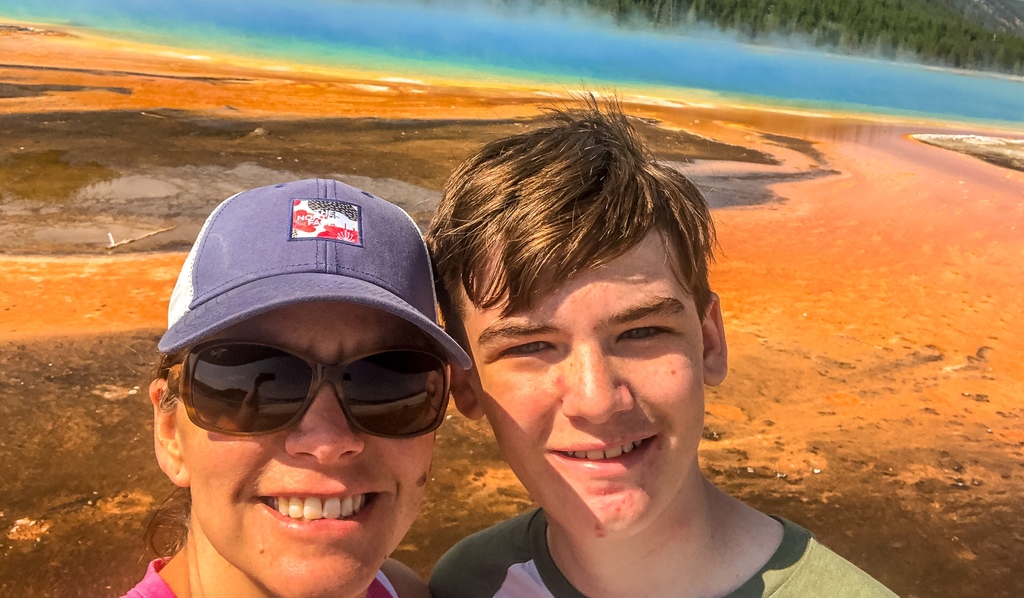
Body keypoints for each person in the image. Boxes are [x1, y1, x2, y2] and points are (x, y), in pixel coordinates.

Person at [426, 102, 898, 598]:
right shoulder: (467, 582)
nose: (597, 399)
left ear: (710, 342)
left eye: (640, 333)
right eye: (533, 346)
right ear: (464, 384)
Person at [124, 178, 471, 598]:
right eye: (254, 380)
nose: (328, 441)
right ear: (169, 433)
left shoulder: (402, 590)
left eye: (387, 381)